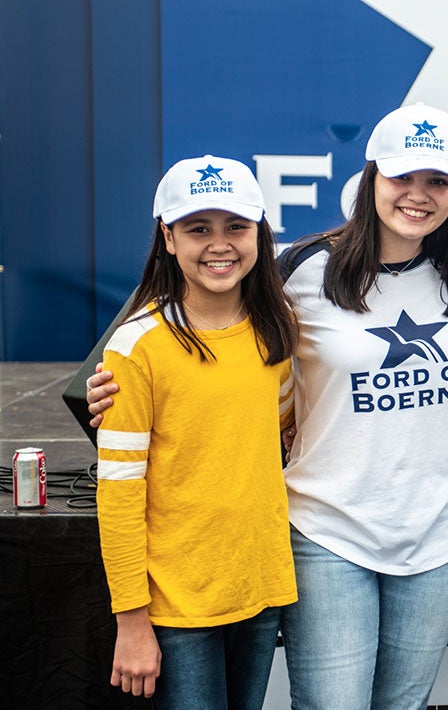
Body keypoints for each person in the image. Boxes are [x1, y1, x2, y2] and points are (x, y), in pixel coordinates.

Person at [88, 103, 448, 709]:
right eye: (402, 177)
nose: (418, 195)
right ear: (370, 178)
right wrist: (108, 395)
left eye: (437, 181)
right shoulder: (300, 271)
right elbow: (191, 322)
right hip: (326, 530)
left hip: (436, 534)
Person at [95, 155, 298, 706]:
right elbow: (117, 494)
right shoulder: (136, 346)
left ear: (259, 231)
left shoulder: (277, 332)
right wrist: (132, 621)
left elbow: (284, 430)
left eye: (236, 226)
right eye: (197, 228)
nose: (220, 244)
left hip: (260, 587)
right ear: (167, 237)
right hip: (175, 604)